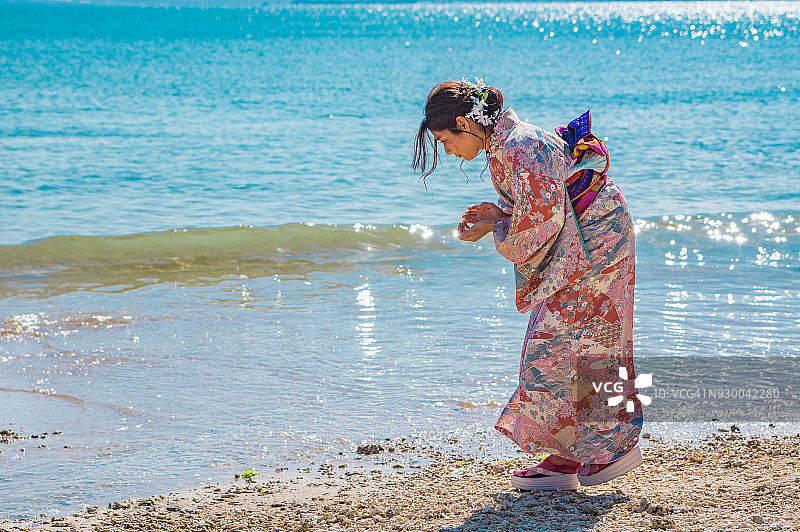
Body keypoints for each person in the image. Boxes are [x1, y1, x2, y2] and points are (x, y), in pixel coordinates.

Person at [412, 78, 644, 491]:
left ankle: (615, 446)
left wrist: (495, 226)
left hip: (597, 239)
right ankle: (566, 454)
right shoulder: (509, 145)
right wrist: (497, 213)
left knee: (585, 342)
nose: (448, 151)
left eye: (446, 140)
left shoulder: (519, 145)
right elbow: (540, 205)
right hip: (581, 239)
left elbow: (540, 223)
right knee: (559, 347)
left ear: (466, 124)